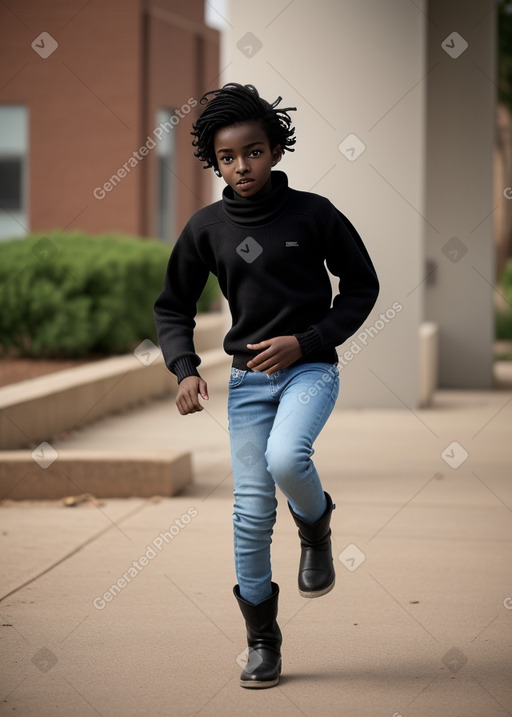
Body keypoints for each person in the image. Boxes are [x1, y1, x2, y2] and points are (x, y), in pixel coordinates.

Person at [153, 83, 379, 689]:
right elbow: (172, 307)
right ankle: (262, 641)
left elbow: (361, 288)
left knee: (287, 457)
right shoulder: (206, 228)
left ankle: (316, 523)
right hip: (249, 384)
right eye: (228, 158)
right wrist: (185, 368)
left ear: (275, 149)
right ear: (214, 163)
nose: (241, 166)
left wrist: (306, 342)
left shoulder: (315, 213)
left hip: (309, 369)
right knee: (250, 513)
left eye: (253, 152)